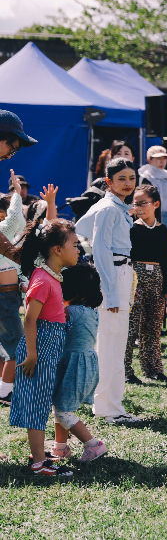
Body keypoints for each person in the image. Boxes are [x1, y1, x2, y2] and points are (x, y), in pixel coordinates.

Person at [8, 218, 80, 477]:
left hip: (48, 345)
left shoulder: (51, 277)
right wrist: (31, 354)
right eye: (75, 244)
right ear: (58, 250)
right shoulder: (43, 279)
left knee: (40, 400)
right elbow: (29, 318)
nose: (79, 249)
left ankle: (38, 454)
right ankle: (39, 463)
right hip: (39, 347)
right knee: (37, 404)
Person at [91, 158, 141, 425]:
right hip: (112, 273)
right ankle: (107, 408)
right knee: (110, 342)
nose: (128, 183)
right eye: (121, 178)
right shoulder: (108, 208)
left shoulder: (118, 207)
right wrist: (109, 292)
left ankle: (113, 405)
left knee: (117, 341)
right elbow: (100, 250)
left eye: (132, 178)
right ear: (108, 181)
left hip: (122, 272)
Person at [49, 264, 108, 463]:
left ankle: (93, 445)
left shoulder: (71, 312)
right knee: (60, 405)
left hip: (74, 366)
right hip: (84, 363)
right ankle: (60, 448)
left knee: (63, 411)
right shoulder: (89, 310)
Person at [125, 185, 167, 384]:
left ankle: (153, 368)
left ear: (156, 204)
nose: (139, 207)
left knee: (152, 327)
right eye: (136, 204)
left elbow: (166, 259)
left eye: (143, 203)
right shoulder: (131, 227)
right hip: (135, 277)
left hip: (157, 278)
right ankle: (126, 369)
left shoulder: (163, 230)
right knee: (130, 326)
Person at [0, 174, 25, 405]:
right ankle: (5, 393)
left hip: (7, 293)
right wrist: (16, 193)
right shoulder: (3, 230)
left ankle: (2, 386)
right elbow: (16, 218)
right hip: (4, 294)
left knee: (3, 344)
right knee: (17, 344)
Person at [138, 145, 167, 253]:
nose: (162, 161)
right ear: (149, 159)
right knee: (148, 253)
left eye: (164, 158)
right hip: (147, 219)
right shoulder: (143, 177)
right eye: (158, 158)